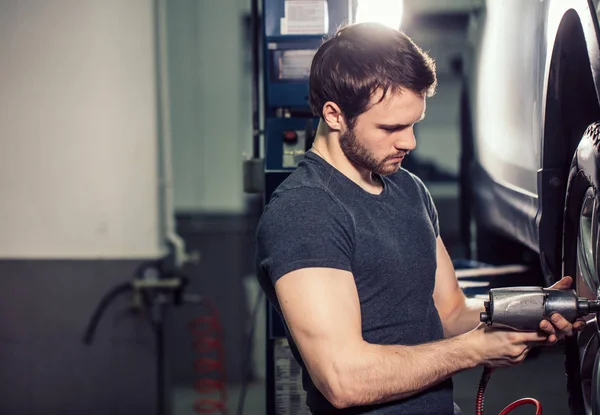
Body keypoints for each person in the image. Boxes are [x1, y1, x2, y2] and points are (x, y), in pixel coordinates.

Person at [255, 22, 584, 415]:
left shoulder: (408, 190)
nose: (408, 142)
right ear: (334, 114)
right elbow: (342, 379)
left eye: (413, 124)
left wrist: (532, 310)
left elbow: (447, 314)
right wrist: (474, 349)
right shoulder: (305, 211)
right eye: (391, 127)